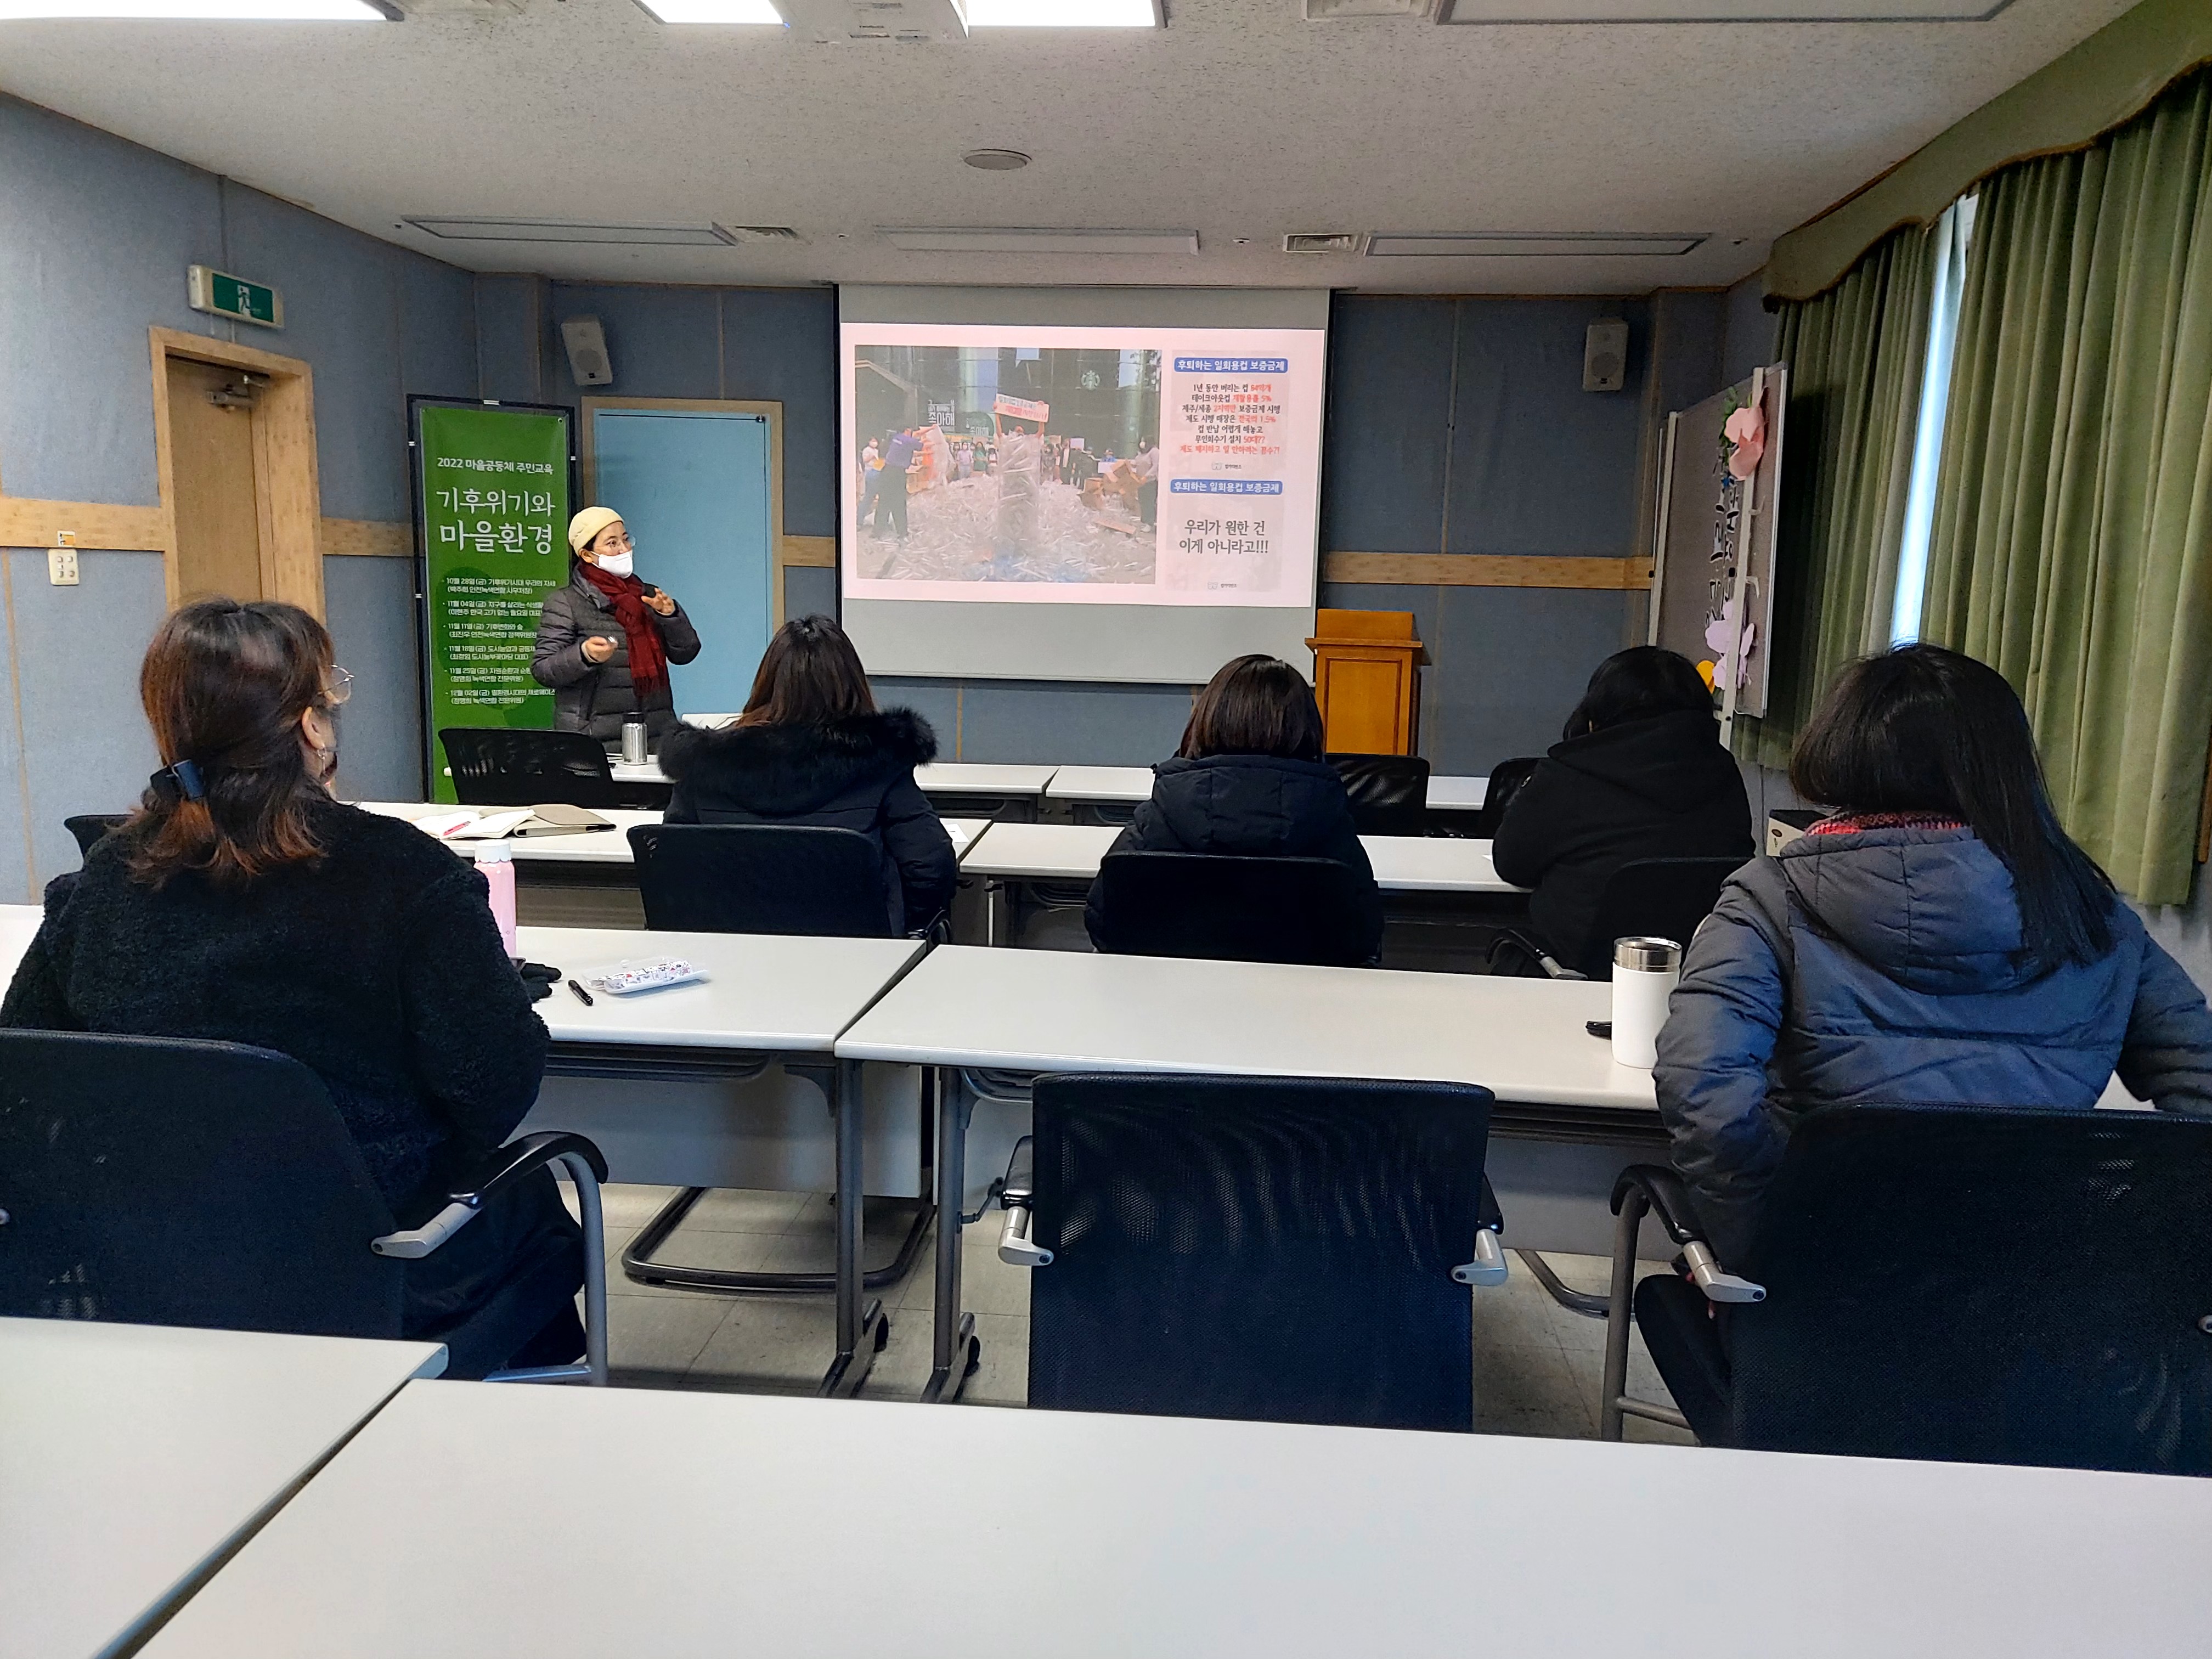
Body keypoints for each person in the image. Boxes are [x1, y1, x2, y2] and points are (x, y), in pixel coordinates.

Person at [1, 599, 582, 1372]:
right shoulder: (406, 873)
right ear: (310, 725)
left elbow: (29, 1073)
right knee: (533, 1208)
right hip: (379, 1262)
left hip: (150, 1268)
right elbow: (497, 1085)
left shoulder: (109, 874)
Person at [1656, 644, 2212, 1261]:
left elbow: (1703, 1087)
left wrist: (1758, 1246)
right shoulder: (2094, 914)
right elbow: (2201, 1078)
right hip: (2035, 1287)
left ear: (1840, 749)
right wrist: (2140, 1248)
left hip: (1822, 1278)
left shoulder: (1769, 899)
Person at [659, 616, 956, 935]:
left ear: (767, 682)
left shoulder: (701, 762)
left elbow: (671, 863)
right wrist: (907, 929)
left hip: (732, 950)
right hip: (858, 953)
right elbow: (929, 864)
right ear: (853, 683)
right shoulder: (881, 761)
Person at [1084, 654, 1384, 958]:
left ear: (1208, 718)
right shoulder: (1327, 820)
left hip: (1170, 986)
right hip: (1305, 988)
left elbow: (1103, 920)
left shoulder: (1159, 815)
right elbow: (1365, 932)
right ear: (1307, 729)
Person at [1490, 646, 1753, 972]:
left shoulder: (1567, 774)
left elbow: (1512, 865)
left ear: (1597, 712)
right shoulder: (1724, 772)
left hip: (1571, 971)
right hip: (1699, 971)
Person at [530, 506, 701, 744]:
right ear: (587, 555)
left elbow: (686, 653)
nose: (624, 549)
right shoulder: (566, 602)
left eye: (625, 539)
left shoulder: (647, 595)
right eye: (612, 543)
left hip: (655, 734)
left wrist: (670, 616)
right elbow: (543, 669)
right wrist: (584, 655)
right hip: (594, 740)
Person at [876, 426, 919, 541]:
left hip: (886, 472)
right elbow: (921, 445)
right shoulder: (906, 439)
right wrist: (932, 429)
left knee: (883, 502)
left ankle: (877, 531)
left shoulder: (894, 439)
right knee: (899, 504)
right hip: (897, 474)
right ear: (907, 430)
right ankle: (902, 533)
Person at [1132, 435, 1160, 528]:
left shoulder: (1154, 451)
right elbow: (1137, 463)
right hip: (1140, 481)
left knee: (1149, 502)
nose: (1142, 443)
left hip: (1150, 481)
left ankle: (1150, 523)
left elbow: (1155, 466)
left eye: (1144, 441)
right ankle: (1145, 521)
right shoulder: (1141, 454)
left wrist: (1146, 476)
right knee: (1142, 501)